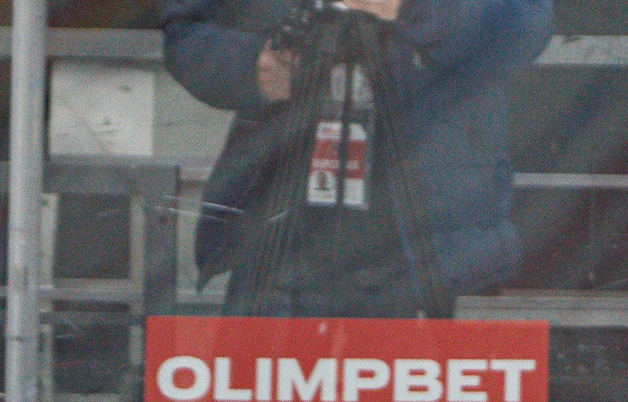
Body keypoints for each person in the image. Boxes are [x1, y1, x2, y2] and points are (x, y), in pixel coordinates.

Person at [163, 0, 550, 317]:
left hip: (424, 237)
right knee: (262, 395)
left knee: (411, 399)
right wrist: (252, 65)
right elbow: (188, 26)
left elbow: (525, 22)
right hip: (281, 227)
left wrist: (413, 12)